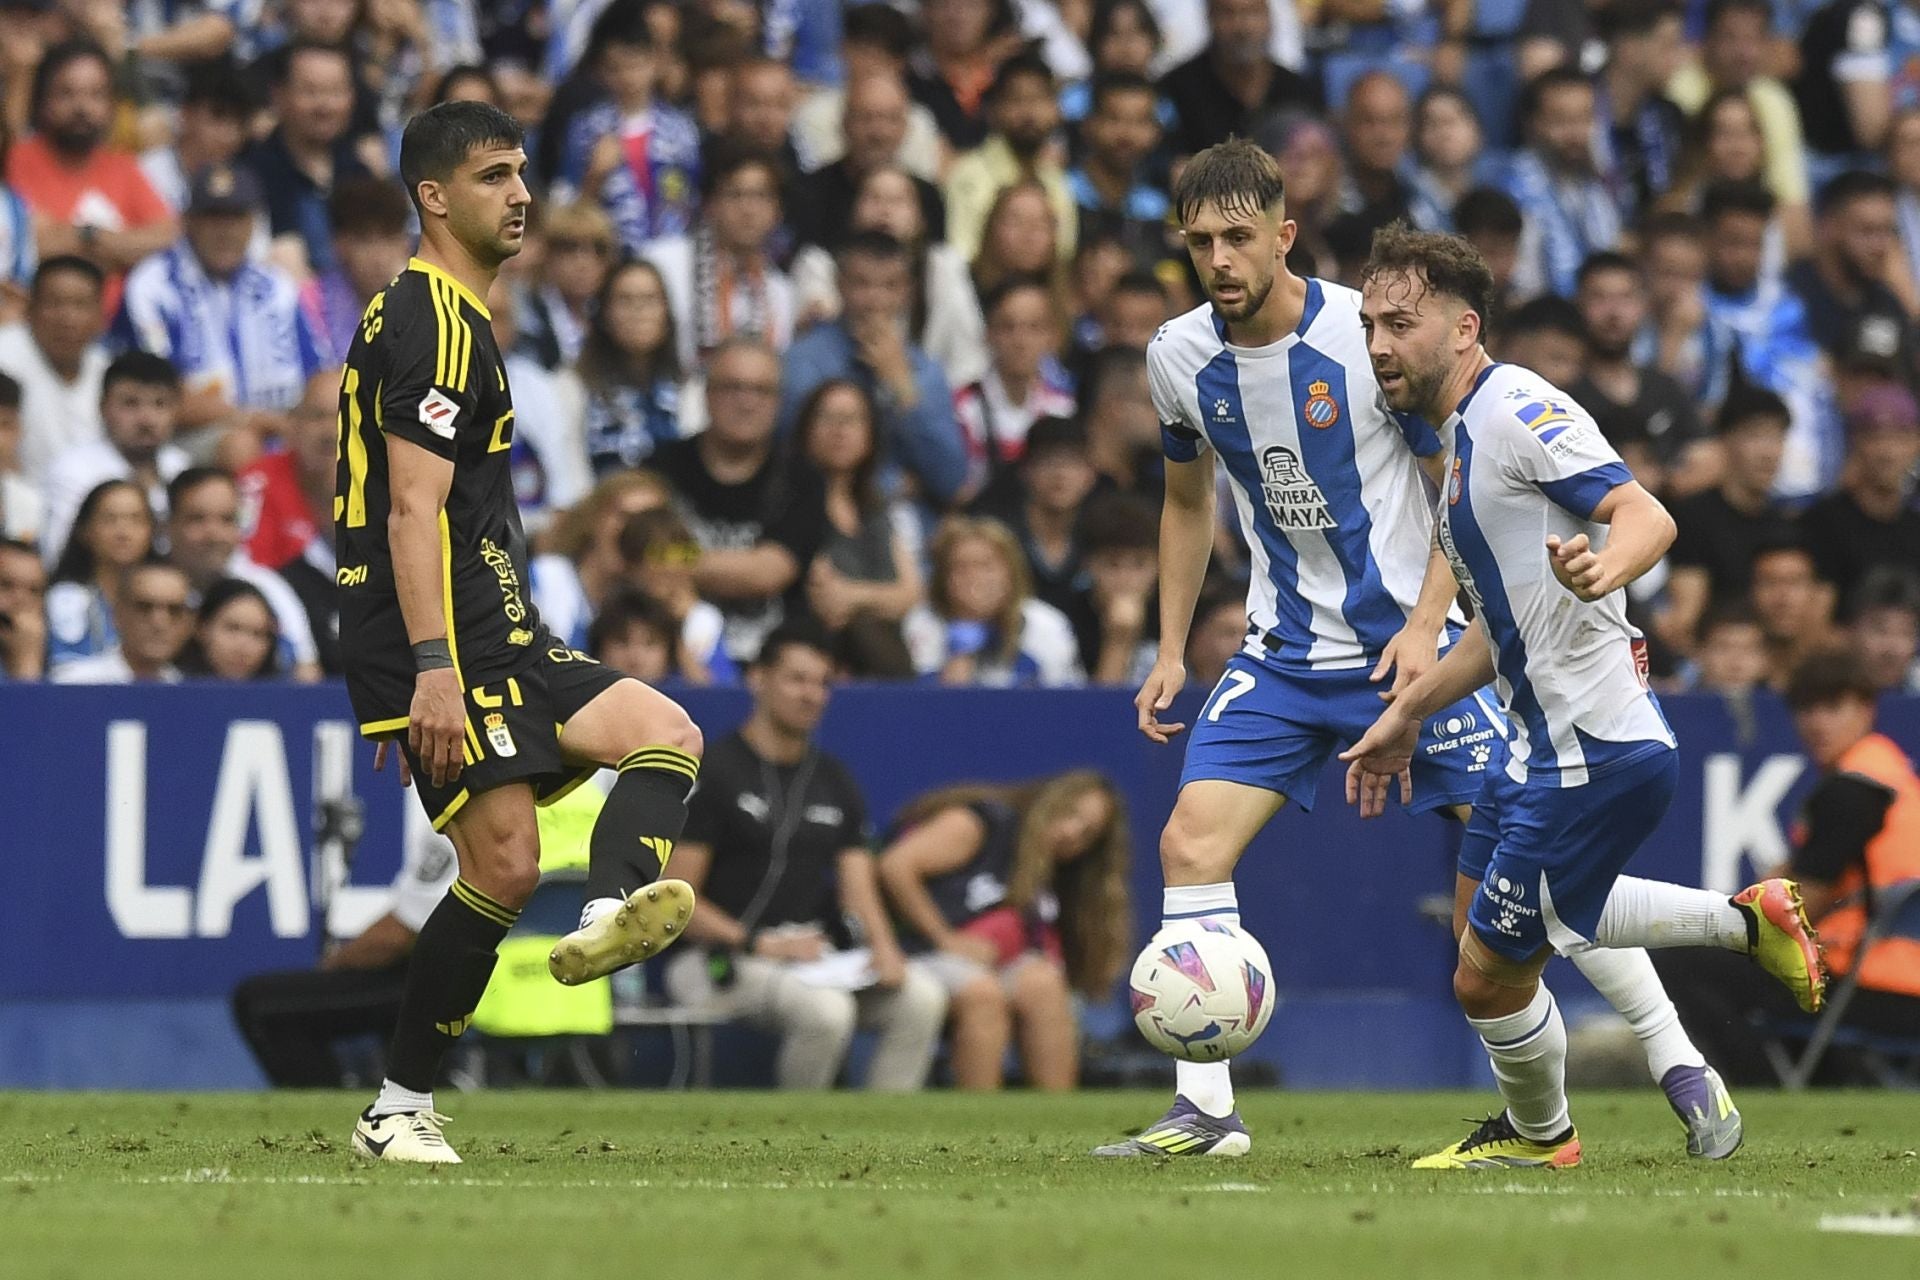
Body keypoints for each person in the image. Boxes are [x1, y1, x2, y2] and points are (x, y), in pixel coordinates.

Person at [1093, 140, 1742, 1164]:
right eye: (1200, 241)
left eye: (1238, 237)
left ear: (1283, 234)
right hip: (1282, 652)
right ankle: (1208, 1107)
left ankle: (1677, 1057)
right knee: (1188, 842)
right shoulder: (1177, 355)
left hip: (1416, 652)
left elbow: (1459, 488)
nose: (1218, 259)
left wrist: (1421, 618)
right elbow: (1184, 500)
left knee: (1530, 885)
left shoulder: (1369, 337)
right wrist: (1171, 645)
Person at [1341, 224, 1825, 1169]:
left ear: (1465, 326)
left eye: (1401, 323)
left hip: (1593, 753)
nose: (1380, 346)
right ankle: (1553, 1124)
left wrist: (1608, 568)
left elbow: (1649, 512)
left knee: (1491, 973)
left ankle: (1556, 1122)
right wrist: (1406, 715)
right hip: (1533, 749)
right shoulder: (1462, 449)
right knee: (1492, 941)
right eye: (1369, 326)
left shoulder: (1516, 408)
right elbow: (1499, 631)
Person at [337, 102, 706, 1164]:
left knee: (666, 730)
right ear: (434, 195)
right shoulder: (435, 323)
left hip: (498, 620)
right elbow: (407, 509)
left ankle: (605, 907)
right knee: (498, 863)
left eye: (523, 173)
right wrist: (425, 670)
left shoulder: (435, 313)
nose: (522, 195)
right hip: (454, 633)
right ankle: (398, 1105)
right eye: (495, 175)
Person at [662, 623, 949, 1090]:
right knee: (826, 1012)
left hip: (812, 957)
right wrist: (757, 943)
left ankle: (887, 1143)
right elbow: (675, 899)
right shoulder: (717, 770)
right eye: (797, 679)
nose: (811, 694)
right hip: (716, 959)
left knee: (922, 996)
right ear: (758, 678)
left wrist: (884, 949)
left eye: (822, 683)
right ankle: (801, 1145)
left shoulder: (833, 777)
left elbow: (858, 885)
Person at [1654, 650, 1920, 1083]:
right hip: (1890, 982)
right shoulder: (1892, 778)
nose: (1817, 723)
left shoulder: (1852, 793)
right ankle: (1824, 1082)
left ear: (1866, 709)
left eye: (1833, 707)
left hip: (1878, 985)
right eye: (1807, 709)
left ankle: (1756, 1088)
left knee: (1677, 959)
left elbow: (1793, 914)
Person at [878, 770, 1131, 1090]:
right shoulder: (978, 823)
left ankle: (1059, 1124)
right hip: (914, 952)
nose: (1071, 833)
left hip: (981, 964)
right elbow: (895, 866)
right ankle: (980, 1129)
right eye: (1069, 814)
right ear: (1047, 800)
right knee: (983, 993)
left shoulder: (1048, 872)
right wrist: (944, 938)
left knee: (1044, 984)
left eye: (1086, 834)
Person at [113, 163, 332, 445]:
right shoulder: (153, 285)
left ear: (254, 223)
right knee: (241, 444)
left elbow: (321, 377)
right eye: (213, 217)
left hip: (285, 436)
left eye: (237, 217)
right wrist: (254, 420)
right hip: (186, 443)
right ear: (189, 221)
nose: (225, 231)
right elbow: (157, 395)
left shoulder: (277, 287)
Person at [230, 818, 457, 1088]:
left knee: (260, 1002)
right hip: (462, 975)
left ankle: (326, 1110)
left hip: (442, 981)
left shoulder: (457, 817)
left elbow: (397, 937)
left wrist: (337, 962)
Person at [654, 337, 829, 663]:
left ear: (779, 402)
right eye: (732, 387)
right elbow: (641, 560)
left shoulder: (803, 478)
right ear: (707, 394)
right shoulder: (662, 470)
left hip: (771, 669)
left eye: (761, 390)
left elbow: (768, 573)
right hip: (675, 663)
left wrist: (674, 561)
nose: (746, 402)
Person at [777, 231, 967, 506]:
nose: (875, 300)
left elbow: (950, 480)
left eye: (890, 286)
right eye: (861, 284)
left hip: (910, 529)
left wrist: (903, 388)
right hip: (816, 514)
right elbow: (790, 461)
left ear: (908, 293)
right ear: (839, 285)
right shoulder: (801, 361)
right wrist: (891, 486)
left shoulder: (927, 371)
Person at [6, 40, 176, 306]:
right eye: (66, 94)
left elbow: (168, 236)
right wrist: (120, 248)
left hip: (118, 328)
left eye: (96, 94)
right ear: (43, 101)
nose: (82, 108)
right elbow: (27, 244)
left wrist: (88, 236)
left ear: (111, 105)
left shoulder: (123, 166)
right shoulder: (15, 160)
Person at [787, 164, 986, 390]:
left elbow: (968, 362)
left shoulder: (943, 267)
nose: (884, 209)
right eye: (873, 198)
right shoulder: (820, 264)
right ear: (853, 212)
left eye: (898, 200)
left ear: (921, 220)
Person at [791, 379, 923, 672]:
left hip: (885, 649)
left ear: (871, 434)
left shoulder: (878, 508)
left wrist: (855, 596)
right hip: (824, 654)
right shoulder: (792, 503)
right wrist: (880, 598)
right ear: (806, 429)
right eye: (827, 418)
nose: (840, 430)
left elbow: (911, 594)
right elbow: (826, 599)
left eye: (852, 420)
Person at [1661, 388, 1798, 651]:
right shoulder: (1693, 517)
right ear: (1725, 440)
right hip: (1713, 661)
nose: (1769, 453)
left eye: (1777, 437)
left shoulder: (1787, 524)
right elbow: (1685, 620)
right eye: (1756, 436)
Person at [640, 146, 795, 371]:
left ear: (777, 211)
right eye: (736, 194)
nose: (748, 209)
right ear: (711, 204)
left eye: (761, 196)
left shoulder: (780, 291)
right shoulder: (662, 264)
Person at [163, 466, 322, 681]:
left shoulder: (269, 589)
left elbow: (306, 672)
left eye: (227, 520)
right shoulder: (144, 587)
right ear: (168, 525)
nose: (214, 534)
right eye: (198, 519)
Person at [39, 351, 190, 571]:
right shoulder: (73, 471)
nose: (146, 419)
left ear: (177, 409)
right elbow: (59, 556)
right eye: (130, 403)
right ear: (103, 407)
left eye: (160, 404)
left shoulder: (182, 467)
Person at [240, 41, 374, 278]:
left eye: (336, 92)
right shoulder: (250, 172)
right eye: (310, 91)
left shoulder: (361, 174)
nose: (325, 106)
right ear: (278, 95)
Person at [903, 515, 1082, 687]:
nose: (974, 577)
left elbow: (1069, 702)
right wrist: (963, 645)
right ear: (944, 579)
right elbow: (931, 707)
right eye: (960, 567)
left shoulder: (1047, 624)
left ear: (1011, 573)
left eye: (986, 566)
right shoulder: (923, 623)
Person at [943, 52, 1077, 266]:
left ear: (1057, 110)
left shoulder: (1057, 180)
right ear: (994, 110)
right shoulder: (968, 174)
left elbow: (1063, 259)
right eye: (1016, 99)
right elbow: (962, 257)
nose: (1029, 113)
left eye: (1039, 99)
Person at [1799, 381, 1920, 614]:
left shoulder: (1915, 527)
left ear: (1916, 444)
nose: (1888, 452)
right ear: (1855, 441)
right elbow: (1813, 628)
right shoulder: (1823, 523)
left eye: (1900, 437)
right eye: (1876, 437)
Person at [1502, 67, 1624, 298]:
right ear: (1532, 124)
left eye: (1584, 118)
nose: (1576, 133)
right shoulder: (1512, 190)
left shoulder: (1593, 184)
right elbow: (1522, 285)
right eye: (1561, 121)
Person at [954, 276, 1076, 494]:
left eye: (1034, 327)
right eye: (1008, 327)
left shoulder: (1063, 408)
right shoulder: (961, 407)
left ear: (1053, 337)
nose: (1021, 341)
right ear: (988, 334)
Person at [1158, 0, 1318, 160]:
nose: (1242, 27)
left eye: (1253, 13)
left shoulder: (1298, 90)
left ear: (1270, 19)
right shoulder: (1176, 88)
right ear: (1209, 18)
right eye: (1228, 14)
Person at [0, 255, 109, 479]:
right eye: (54, 303)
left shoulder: (107, 370)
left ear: (100, 316)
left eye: (80, 305)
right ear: (29, 308)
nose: (67, 318)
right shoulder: (4, 356)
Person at [576, 257, 686, 474]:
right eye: (625, 300)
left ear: (667, 313)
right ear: (605, 315)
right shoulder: (571, 388)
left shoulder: (692, 390)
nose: (638, 311)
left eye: (649, 300)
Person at [305, 176, 415, 369]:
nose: (379, 257)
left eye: (390, 238)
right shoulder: (310, 302)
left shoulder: (422, 302)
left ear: (406, 243)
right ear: (339, 245)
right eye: (365, 241)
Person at [44, 478, 153, 672]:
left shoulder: (165, 599)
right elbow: (67, 673)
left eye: (136, 519)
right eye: (110, 519)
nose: (124, 532)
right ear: (85, 529)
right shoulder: (67, 598)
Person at [51, 558, 191, 684]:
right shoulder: (74, 684)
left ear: (187, 622)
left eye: (174, 610)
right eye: (144, 607)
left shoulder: (190, 694)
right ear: (117, 614)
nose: (159, 622)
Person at [176, 577, 282, 680]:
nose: (244, 647)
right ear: (201, 628)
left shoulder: (284, 691)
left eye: (257, 633)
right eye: (232, 628)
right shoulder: (170, 682)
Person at [1850, 567, 1920, 693]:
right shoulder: (1824, 693)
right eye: (1880, 630)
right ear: (1853, 630)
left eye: (1905, 632)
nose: (1892, 649)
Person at [0, 534, 47, 680]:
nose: (21, 600)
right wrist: (26, 665)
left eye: (34, 590)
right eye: (6, 585)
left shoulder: (55, 657)